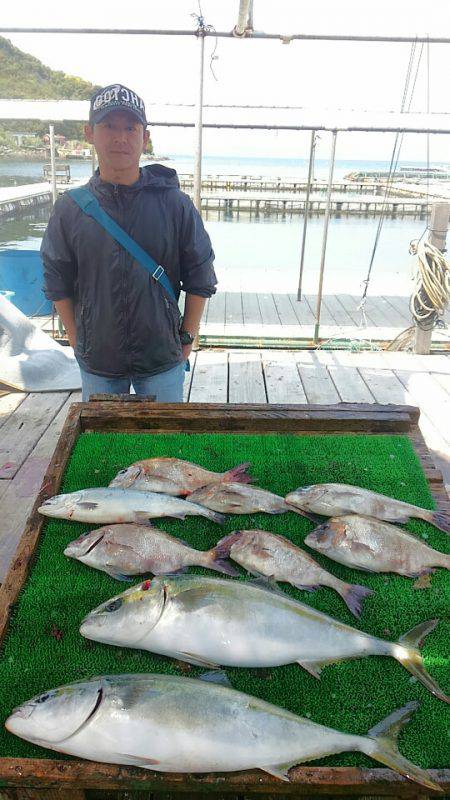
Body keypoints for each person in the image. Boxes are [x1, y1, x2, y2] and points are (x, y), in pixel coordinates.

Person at [41, 83, 217, 402]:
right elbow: (56, 280)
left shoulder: (175, 205)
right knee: (104, 448)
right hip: (99, 362)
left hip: (162, 357)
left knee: (166, 446)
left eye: (130, 127)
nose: (120, 137)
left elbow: (200, 273)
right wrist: (77, 338)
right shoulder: (69, 210)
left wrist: (188, 334)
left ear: (144, 137)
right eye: (109, 126)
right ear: (90, 132)